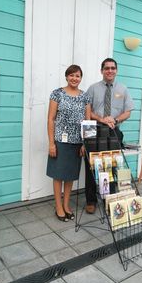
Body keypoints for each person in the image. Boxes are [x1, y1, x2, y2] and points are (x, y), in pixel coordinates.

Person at [85, 58, 134, 214]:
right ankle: (91, 200)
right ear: (102, 71)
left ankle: (110, 199)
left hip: (114, 131)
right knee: (92, 165)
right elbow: (87, 110)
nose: (110, 71)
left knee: (112, 165)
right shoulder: (92, 89)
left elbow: (128, 111)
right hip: (95, 130)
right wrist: (101, 119)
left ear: (116, 70)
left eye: (113, 68)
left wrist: (115, 119)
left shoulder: (123, 89)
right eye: (107, 68)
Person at [47, 65, 91, 222]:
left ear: (81, 78)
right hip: (60, 142)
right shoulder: (57, 94)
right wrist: (51, 143)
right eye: (71, 75)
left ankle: (66, 205)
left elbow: (88, 121)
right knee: (58, 175)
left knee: (70, 176)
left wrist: (85, 143)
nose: (74, 78)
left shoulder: (85, 97)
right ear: (66, 77)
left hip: (77, 143)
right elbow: (51, 119)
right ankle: (58, 207)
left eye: (77, 76)